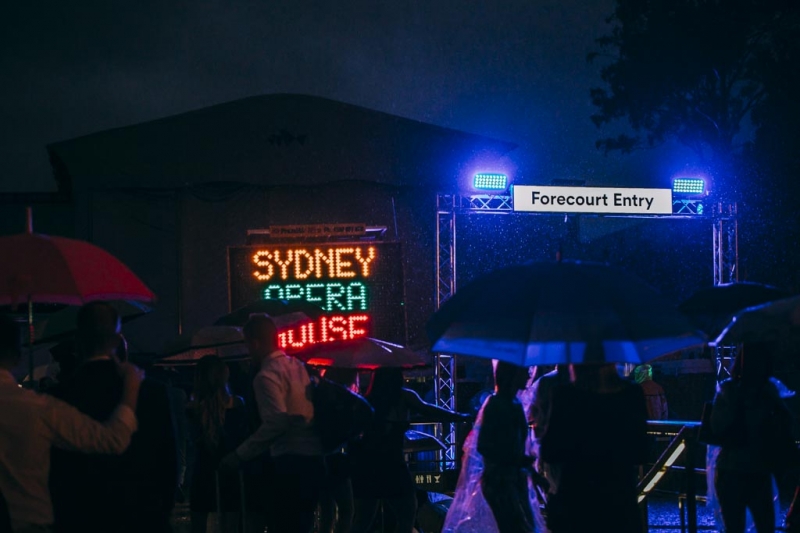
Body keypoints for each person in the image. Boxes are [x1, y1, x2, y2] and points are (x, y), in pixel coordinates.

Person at [0, 313, 143, 533]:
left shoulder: (50, 400)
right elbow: (112, 439)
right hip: (27, 521)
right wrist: (131, 387)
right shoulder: (38, 408)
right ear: (17, 355)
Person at [48, 302, 177, 533]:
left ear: (78, 342)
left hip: (83, 518)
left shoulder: (60, 395)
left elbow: (57, 471)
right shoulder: (152, 392)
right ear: (118, 341)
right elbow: (167, 461)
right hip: (143, 516)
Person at [221, 314, 325, 533]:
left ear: (255, 343)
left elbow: (276, 423)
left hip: (289, 463)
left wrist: (240, 454)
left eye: (247, 344)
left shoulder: (266, 376)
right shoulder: (298, 366)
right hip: (315, 460)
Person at [349, 367, 470, 533]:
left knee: (363, 519)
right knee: (406, 514)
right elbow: (429, 410)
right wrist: (460, 416)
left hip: (368, 466)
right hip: (393, 465)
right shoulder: (403, 396)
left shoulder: (367, 401)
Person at [540, 361, 648, 533]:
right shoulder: (631, 394)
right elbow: (642, 452)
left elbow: (549, 451)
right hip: (619, 499)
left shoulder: (565, 395)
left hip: (575, 499)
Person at [710, 342, 795, 533]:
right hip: (758, 467)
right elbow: (785, 424)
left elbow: (717, 427)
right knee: (764, 524)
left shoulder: (729, 390)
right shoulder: (767, 391)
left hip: (732, 467)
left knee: (735, 526)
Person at [187, 355, 249, 533]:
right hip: (230, 469)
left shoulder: (192, 408)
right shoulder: (237, 403)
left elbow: (191, 441)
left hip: (202, 470)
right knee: (230, 524)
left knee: (198, 525)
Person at [477, 361, 538, 533]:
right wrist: (516, 460)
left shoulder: (514, 404)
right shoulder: (497, 405)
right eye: (524, 372)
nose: (528, 376)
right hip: (500, 481)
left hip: (511, 479)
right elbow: (484, 445)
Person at [318, 367, 360, 533]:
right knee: (346, 509)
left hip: (318, 458)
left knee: (326, 510)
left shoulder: (320, 397)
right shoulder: (344, 401)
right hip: (335, 459)